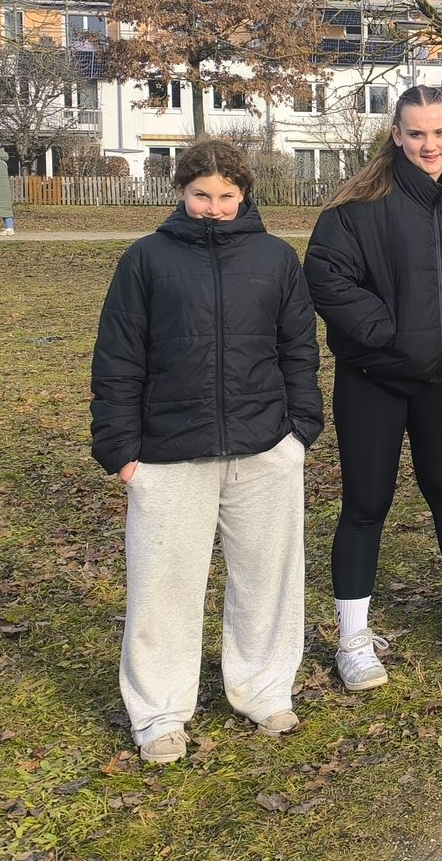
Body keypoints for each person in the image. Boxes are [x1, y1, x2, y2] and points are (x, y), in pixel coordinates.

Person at [90, 140, 322, 764]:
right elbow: (117, 357)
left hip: (264, 447)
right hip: (168, 453)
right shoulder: (146, 260)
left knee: (266, 578)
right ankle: (160, 712)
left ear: (244, 195)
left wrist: (300, 430)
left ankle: (264, 688)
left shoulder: (275, 259)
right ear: (180, 193)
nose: (213, 207)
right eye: (201, 195)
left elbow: (298, 349)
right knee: (163, 587)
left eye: (225, 195)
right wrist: (120, 449)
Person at [304, 85, 442, 690]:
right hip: (373, 380)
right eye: (416, 134)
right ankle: (353, 638)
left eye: (438, 132)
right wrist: (385, 332)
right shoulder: (358, 205)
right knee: (365, 505)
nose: (428, 145)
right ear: (396, 135)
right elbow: (325, 275)